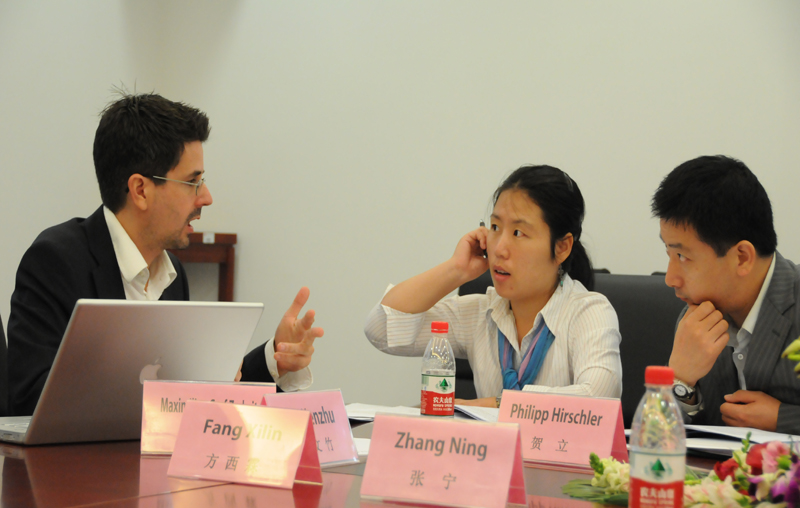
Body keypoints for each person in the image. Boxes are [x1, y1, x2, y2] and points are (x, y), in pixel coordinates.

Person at [7, 92, 323, 417]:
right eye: (192, 182)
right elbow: (29, 400)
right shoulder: (56, 261)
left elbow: (200, 392)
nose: (206, 197)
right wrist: (169, 395)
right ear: (140, 190)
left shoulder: (173, 273)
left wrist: (276, 358)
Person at [364, 165, 622, 407]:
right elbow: (381, 329)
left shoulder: (589, 313)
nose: (499, 248)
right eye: (495, 227)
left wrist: (490, 406)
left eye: (518, 233)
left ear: (562, 247)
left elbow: (598, 398)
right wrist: (456, 269)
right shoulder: (482, 313)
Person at [652, 155, 800, 434]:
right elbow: (656, 438)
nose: (670, 278)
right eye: (669, 253)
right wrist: (680, 379)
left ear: (742, 257)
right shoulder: (695, 321)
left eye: (683, 256)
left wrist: (783, 419)